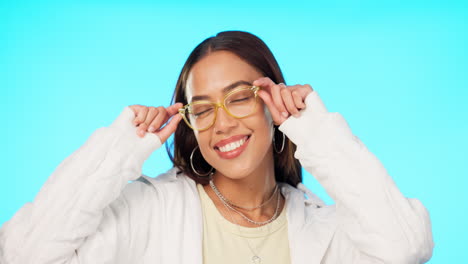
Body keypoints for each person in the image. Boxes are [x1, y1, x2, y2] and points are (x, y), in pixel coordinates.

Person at [0, 31, 433, 264]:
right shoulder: (149, 210)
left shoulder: (324, 226)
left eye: (240, 97)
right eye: (202, 108)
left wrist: (316, 131)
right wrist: (115, 151)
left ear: (273, 104)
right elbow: (23, 255)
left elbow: (405, 248)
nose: (222, 122)